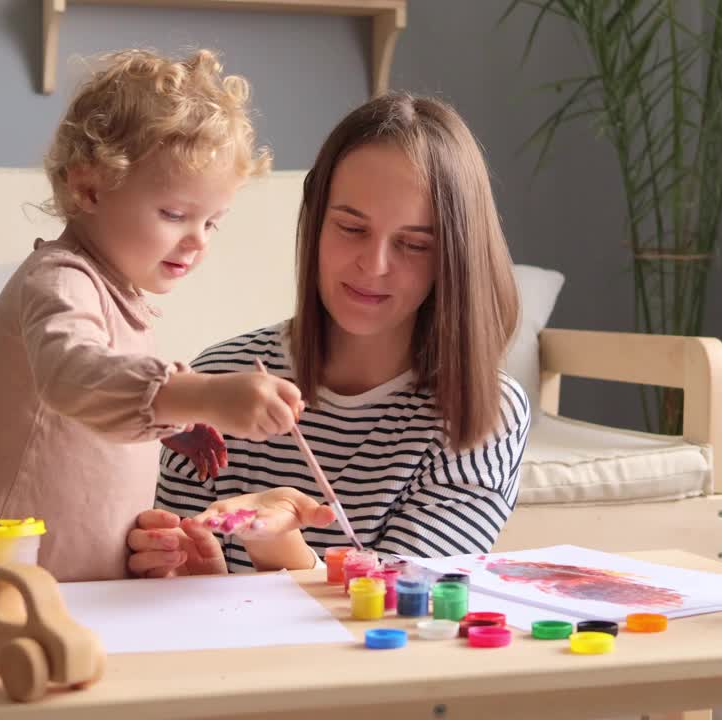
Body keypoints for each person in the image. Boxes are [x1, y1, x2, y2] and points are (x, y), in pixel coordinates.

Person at [0, 49, 304, 582]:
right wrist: (197, 393)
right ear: (89, 189)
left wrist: (169, 427)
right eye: (175, 214)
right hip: (2, 572)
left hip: (75, 575)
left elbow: (85, 410)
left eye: (212, 222)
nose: (197, 240)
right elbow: (73, 374)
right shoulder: (59, 279)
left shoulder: (119, 294)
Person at [129, 92, 530, 577]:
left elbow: (403, 610)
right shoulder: (217, 379)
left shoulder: (483, 411)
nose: (374, 265)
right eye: (351, 228)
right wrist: (193, 575)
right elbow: (180, 589)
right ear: (316, 221)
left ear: (453, 255)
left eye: (413, 244)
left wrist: (280, 549)